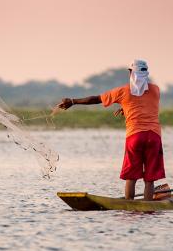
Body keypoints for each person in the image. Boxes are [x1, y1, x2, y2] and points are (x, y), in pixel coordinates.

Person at [56, 59, 165, 200]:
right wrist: (126, 107)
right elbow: (143, 104)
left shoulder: (122, 91)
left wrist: (73, 101)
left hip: (135, 137)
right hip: (154, 137)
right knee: (150, 179)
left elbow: (96, 99)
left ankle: (129, 205)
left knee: (131, 177)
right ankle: (148, 206)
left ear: (131, 72)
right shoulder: (155, 89)